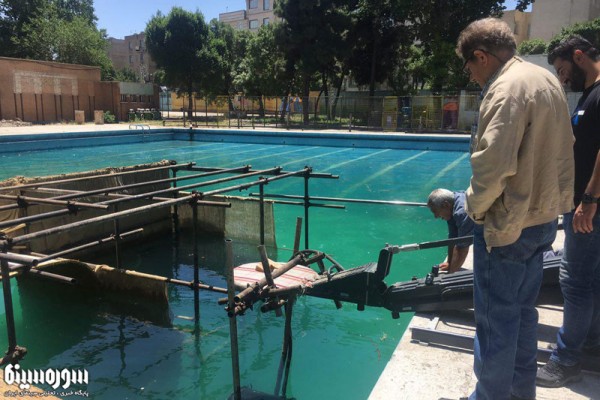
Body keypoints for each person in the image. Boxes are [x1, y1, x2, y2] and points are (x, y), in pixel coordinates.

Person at [456, 18, 575, 400]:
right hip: (543, 219)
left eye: (469, 66)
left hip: (508, 225)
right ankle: (521, 393)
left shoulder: (505, 89)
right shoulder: (544, 79)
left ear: (481, 56)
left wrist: (474, 211)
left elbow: (493, 166)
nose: (471, 75)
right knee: (523, 314)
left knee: (496, 323)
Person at [537, 35, 600, 388]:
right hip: (587, 204)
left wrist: (588, 200)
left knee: (574, 281)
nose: (561, 78)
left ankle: (566, 360)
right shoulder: (590, 94)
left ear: (578, 57)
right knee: (592, 279)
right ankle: (590, 341)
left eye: (562, 70)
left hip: (590, 207)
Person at [427, 188, 474, 273]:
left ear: (445, 205)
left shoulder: (462, 213)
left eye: (435, 211)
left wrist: (450, 275)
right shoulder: (452, 205)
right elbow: (452, 239)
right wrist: (449, 262)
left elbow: (462, 248)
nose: (436, 216)